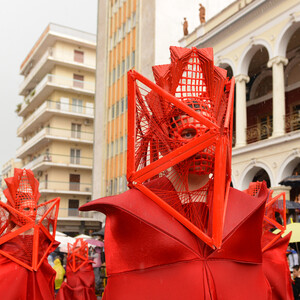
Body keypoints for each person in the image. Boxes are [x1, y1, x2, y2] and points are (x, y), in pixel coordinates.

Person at [80, 46, 288, 299]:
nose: (203, 144)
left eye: (210, 132)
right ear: (166, 139)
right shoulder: (135, 212)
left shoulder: (244, 211)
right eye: (188, 133)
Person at [0, 168, 60, 299]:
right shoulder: (6, 239)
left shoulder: (41, 236)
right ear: (15, 210)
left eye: (34, 208)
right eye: (26, 208)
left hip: (37, 284)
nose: (32, 212)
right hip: (12, 286)